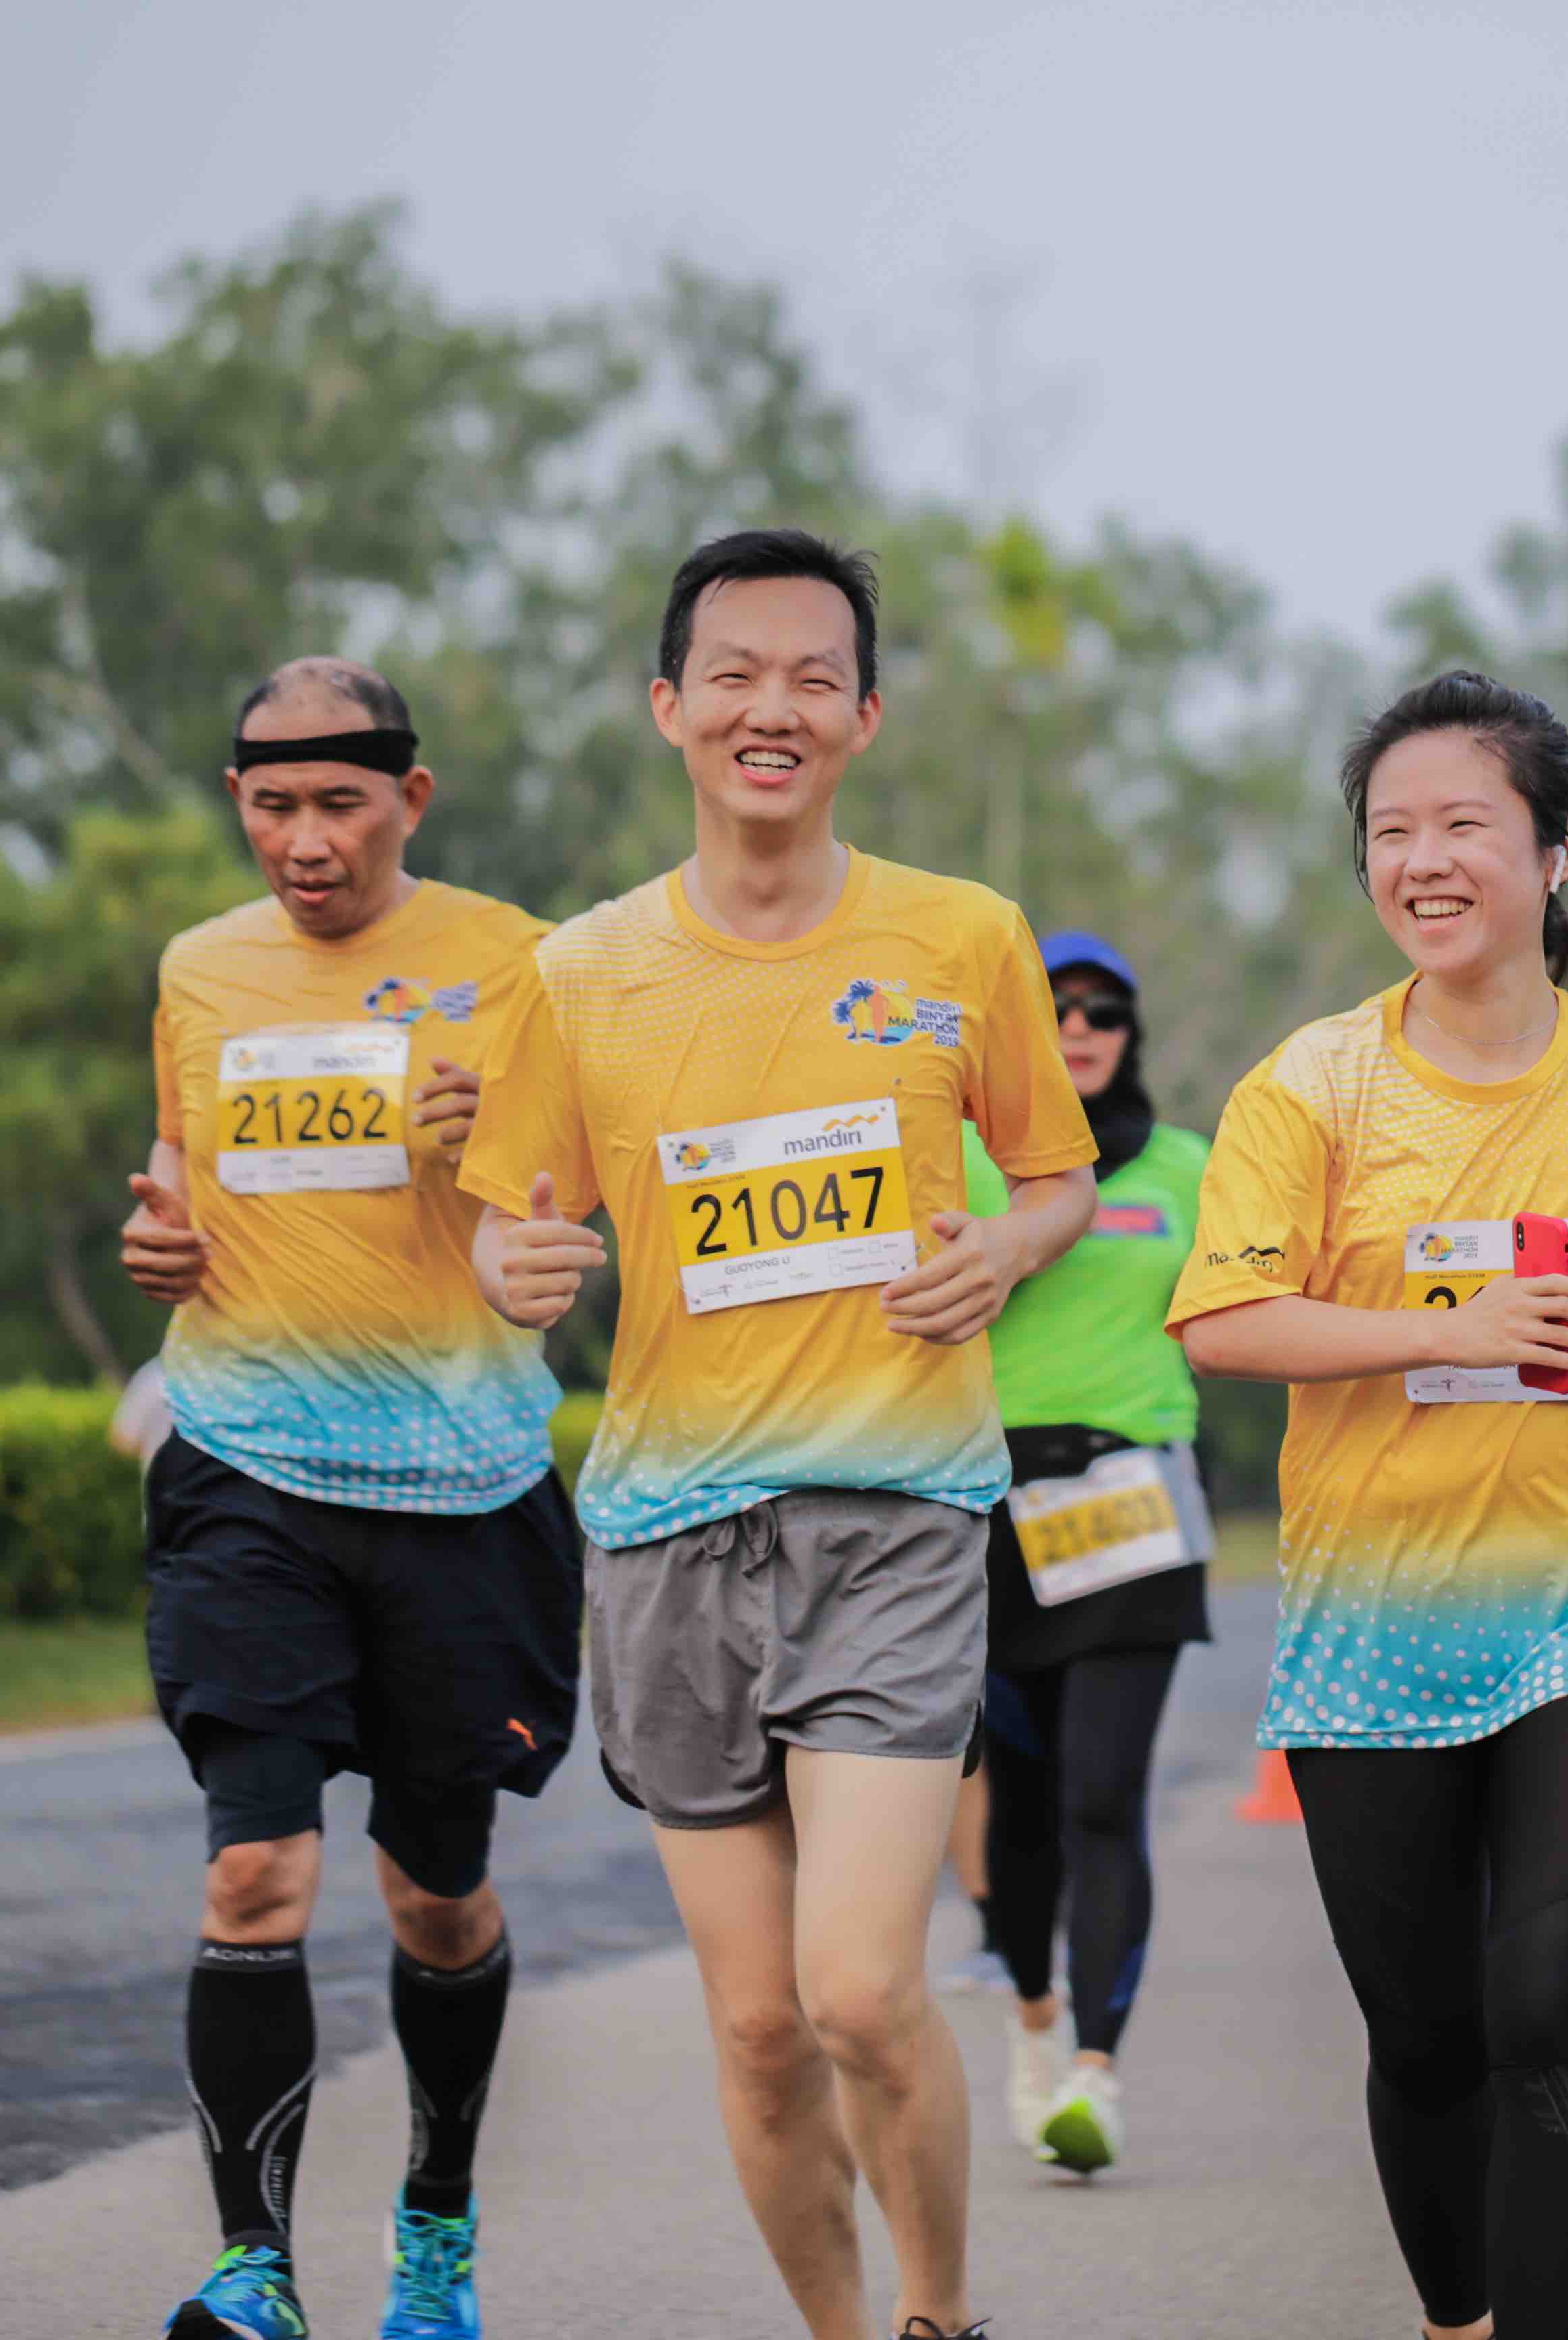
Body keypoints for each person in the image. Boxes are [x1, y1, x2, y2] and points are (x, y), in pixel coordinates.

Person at [459, 529, 1095, 2340]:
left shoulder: (959, 935)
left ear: (866, 718)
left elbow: (1058, 1173)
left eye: (815, 677)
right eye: (735, 672)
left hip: (897, 1514)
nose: (774, 707)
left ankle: (942, 2318)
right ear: (670, 707)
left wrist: (1008, 1242)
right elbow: (514, 1228)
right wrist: (518, 1263)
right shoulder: (574, 978)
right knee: (753, 2033)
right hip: (667, 1537)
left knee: (860, 1993)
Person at [1168, 671, 1568, 2340]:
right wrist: (1439, 1331)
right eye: (1392, 831)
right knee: (1427, 2032)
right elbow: (1225, 1316)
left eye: (1464, 822)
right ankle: (1455, 2316)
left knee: (1547, 2006)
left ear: (1558, 850)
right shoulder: (1308, 1089)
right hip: (1373, 1606)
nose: (1424, 860)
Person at [123, 656, 577, 2340]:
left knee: (433, 1894)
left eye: (337, 802)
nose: (302, 840)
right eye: (270, 804)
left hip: (462, 1484)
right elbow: (184, 1167)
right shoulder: (198, 968)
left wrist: (490, 1202)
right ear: (238, 799)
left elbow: (529, 1234)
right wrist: (162, 1230)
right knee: (255, 1871)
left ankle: (435, 2226)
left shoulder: (509, 958)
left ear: (409, 796)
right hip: (246, 1462)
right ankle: (254, 2265)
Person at [962, 928, 1213, 2177]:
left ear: (1130, 1034)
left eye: (1103, 1013)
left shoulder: (1188, 1169)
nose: (1079, 1031)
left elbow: (1241, 1312)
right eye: (1054, 1010)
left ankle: (1097, 2075)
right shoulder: (961, 1153)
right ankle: (1031, 2018)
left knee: (1102, 1796)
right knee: (1018, 1810)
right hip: (985, 1508)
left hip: (1129, 1504)